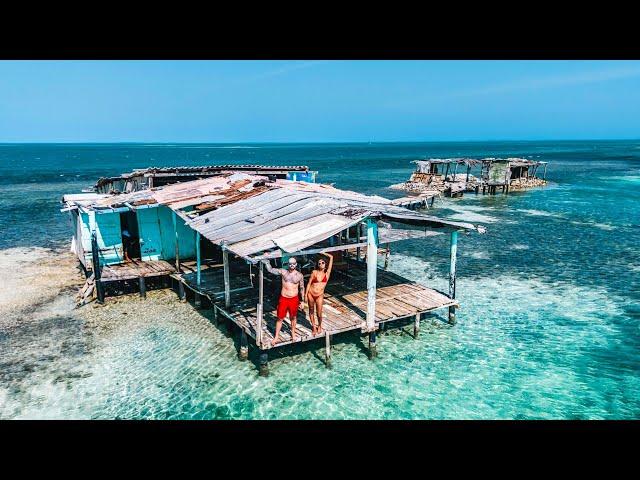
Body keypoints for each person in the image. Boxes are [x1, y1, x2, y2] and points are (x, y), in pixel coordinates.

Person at [262, 257, 305, 345]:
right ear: (287, 264)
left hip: (294, 299)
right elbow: (270, 270)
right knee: (280, 318)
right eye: (290, 263)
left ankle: (293, 333)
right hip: (284, 298)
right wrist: (266, 262)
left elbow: (302, 288)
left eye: (293, 263)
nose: (292, 265)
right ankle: (276, 337)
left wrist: (303, 301)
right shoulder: (283, 272)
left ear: (296, 264)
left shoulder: (300, 275)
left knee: (293, 317)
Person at [305, 252, 333, 335]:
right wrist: (305, 295)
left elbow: (331, 257)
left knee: (319, 313)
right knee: (311, 311)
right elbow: (309, 283)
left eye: (322, 262)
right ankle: (313, 326)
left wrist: (322, 252)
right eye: (319, 263)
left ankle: (319, 325)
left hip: (319, 295)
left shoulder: (327, 274)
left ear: (325, 264)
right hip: (311, 293)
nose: (321, 264)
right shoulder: (314, 272)